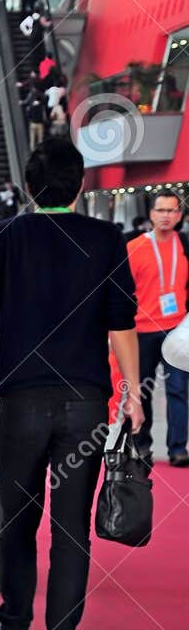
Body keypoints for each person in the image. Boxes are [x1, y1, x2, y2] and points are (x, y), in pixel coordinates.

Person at [0, 137, 143, 630]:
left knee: (18, 519)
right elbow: (121, 322)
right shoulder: (107, 238)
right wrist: (131, 391)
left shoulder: (5, 235)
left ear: (31, 187)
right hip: (85, 404)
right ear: (80, 184)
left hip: (21, 400)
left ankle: (14, 624)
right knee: (71, 531)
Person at [126, 188, 189, 466]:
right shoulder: (134, 247)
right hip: (142, 330)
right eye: (160, 210)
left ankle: (177, 448)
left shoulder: (185, 245)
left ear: (179, 215)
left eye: (171, 210)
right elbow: (122, 290)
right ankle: (142, 446)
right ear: (151, 214)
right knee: (142, 391)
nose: (166, 216)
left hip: (177, 331)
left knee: (178, 390)